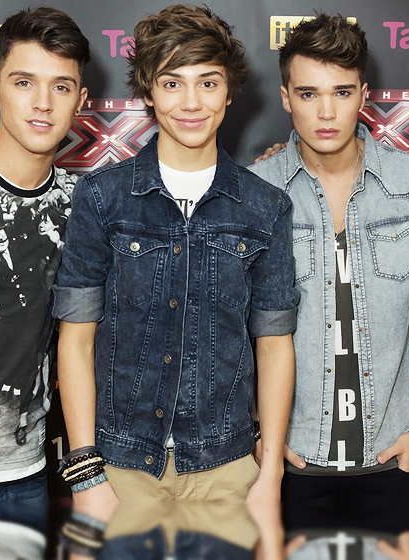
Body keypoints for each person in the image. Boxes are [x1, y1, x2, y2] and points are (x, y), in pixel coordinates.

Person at [52, 4, 298, 516]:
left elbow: (274, 344)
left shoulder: (266, 206)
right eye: (171, 83)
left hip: (226, 467)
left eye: (207, 83)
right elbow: (76, 339)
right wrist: (86, 472)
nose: (191, 102)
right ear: (147, 92)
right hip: (118, 468)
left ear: (228, 92)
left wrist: (270, 471)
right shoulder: (102, 197)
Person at [250, 14, 409, 533]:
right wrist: (258, 433)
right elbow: (232, 326)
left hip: (390, 457)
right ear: (285, 98)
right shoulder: (257, 190)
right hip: (292, 458)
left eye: (341, 92)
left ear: (363, 95)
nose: (326, 112)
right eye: (308, 94)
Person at [0, 7, 89, 522]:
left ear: (81, 101)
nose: (42, 103)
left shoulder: (85, 205)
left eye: (61, 87)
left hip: (26, 473)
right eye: (23, 82)